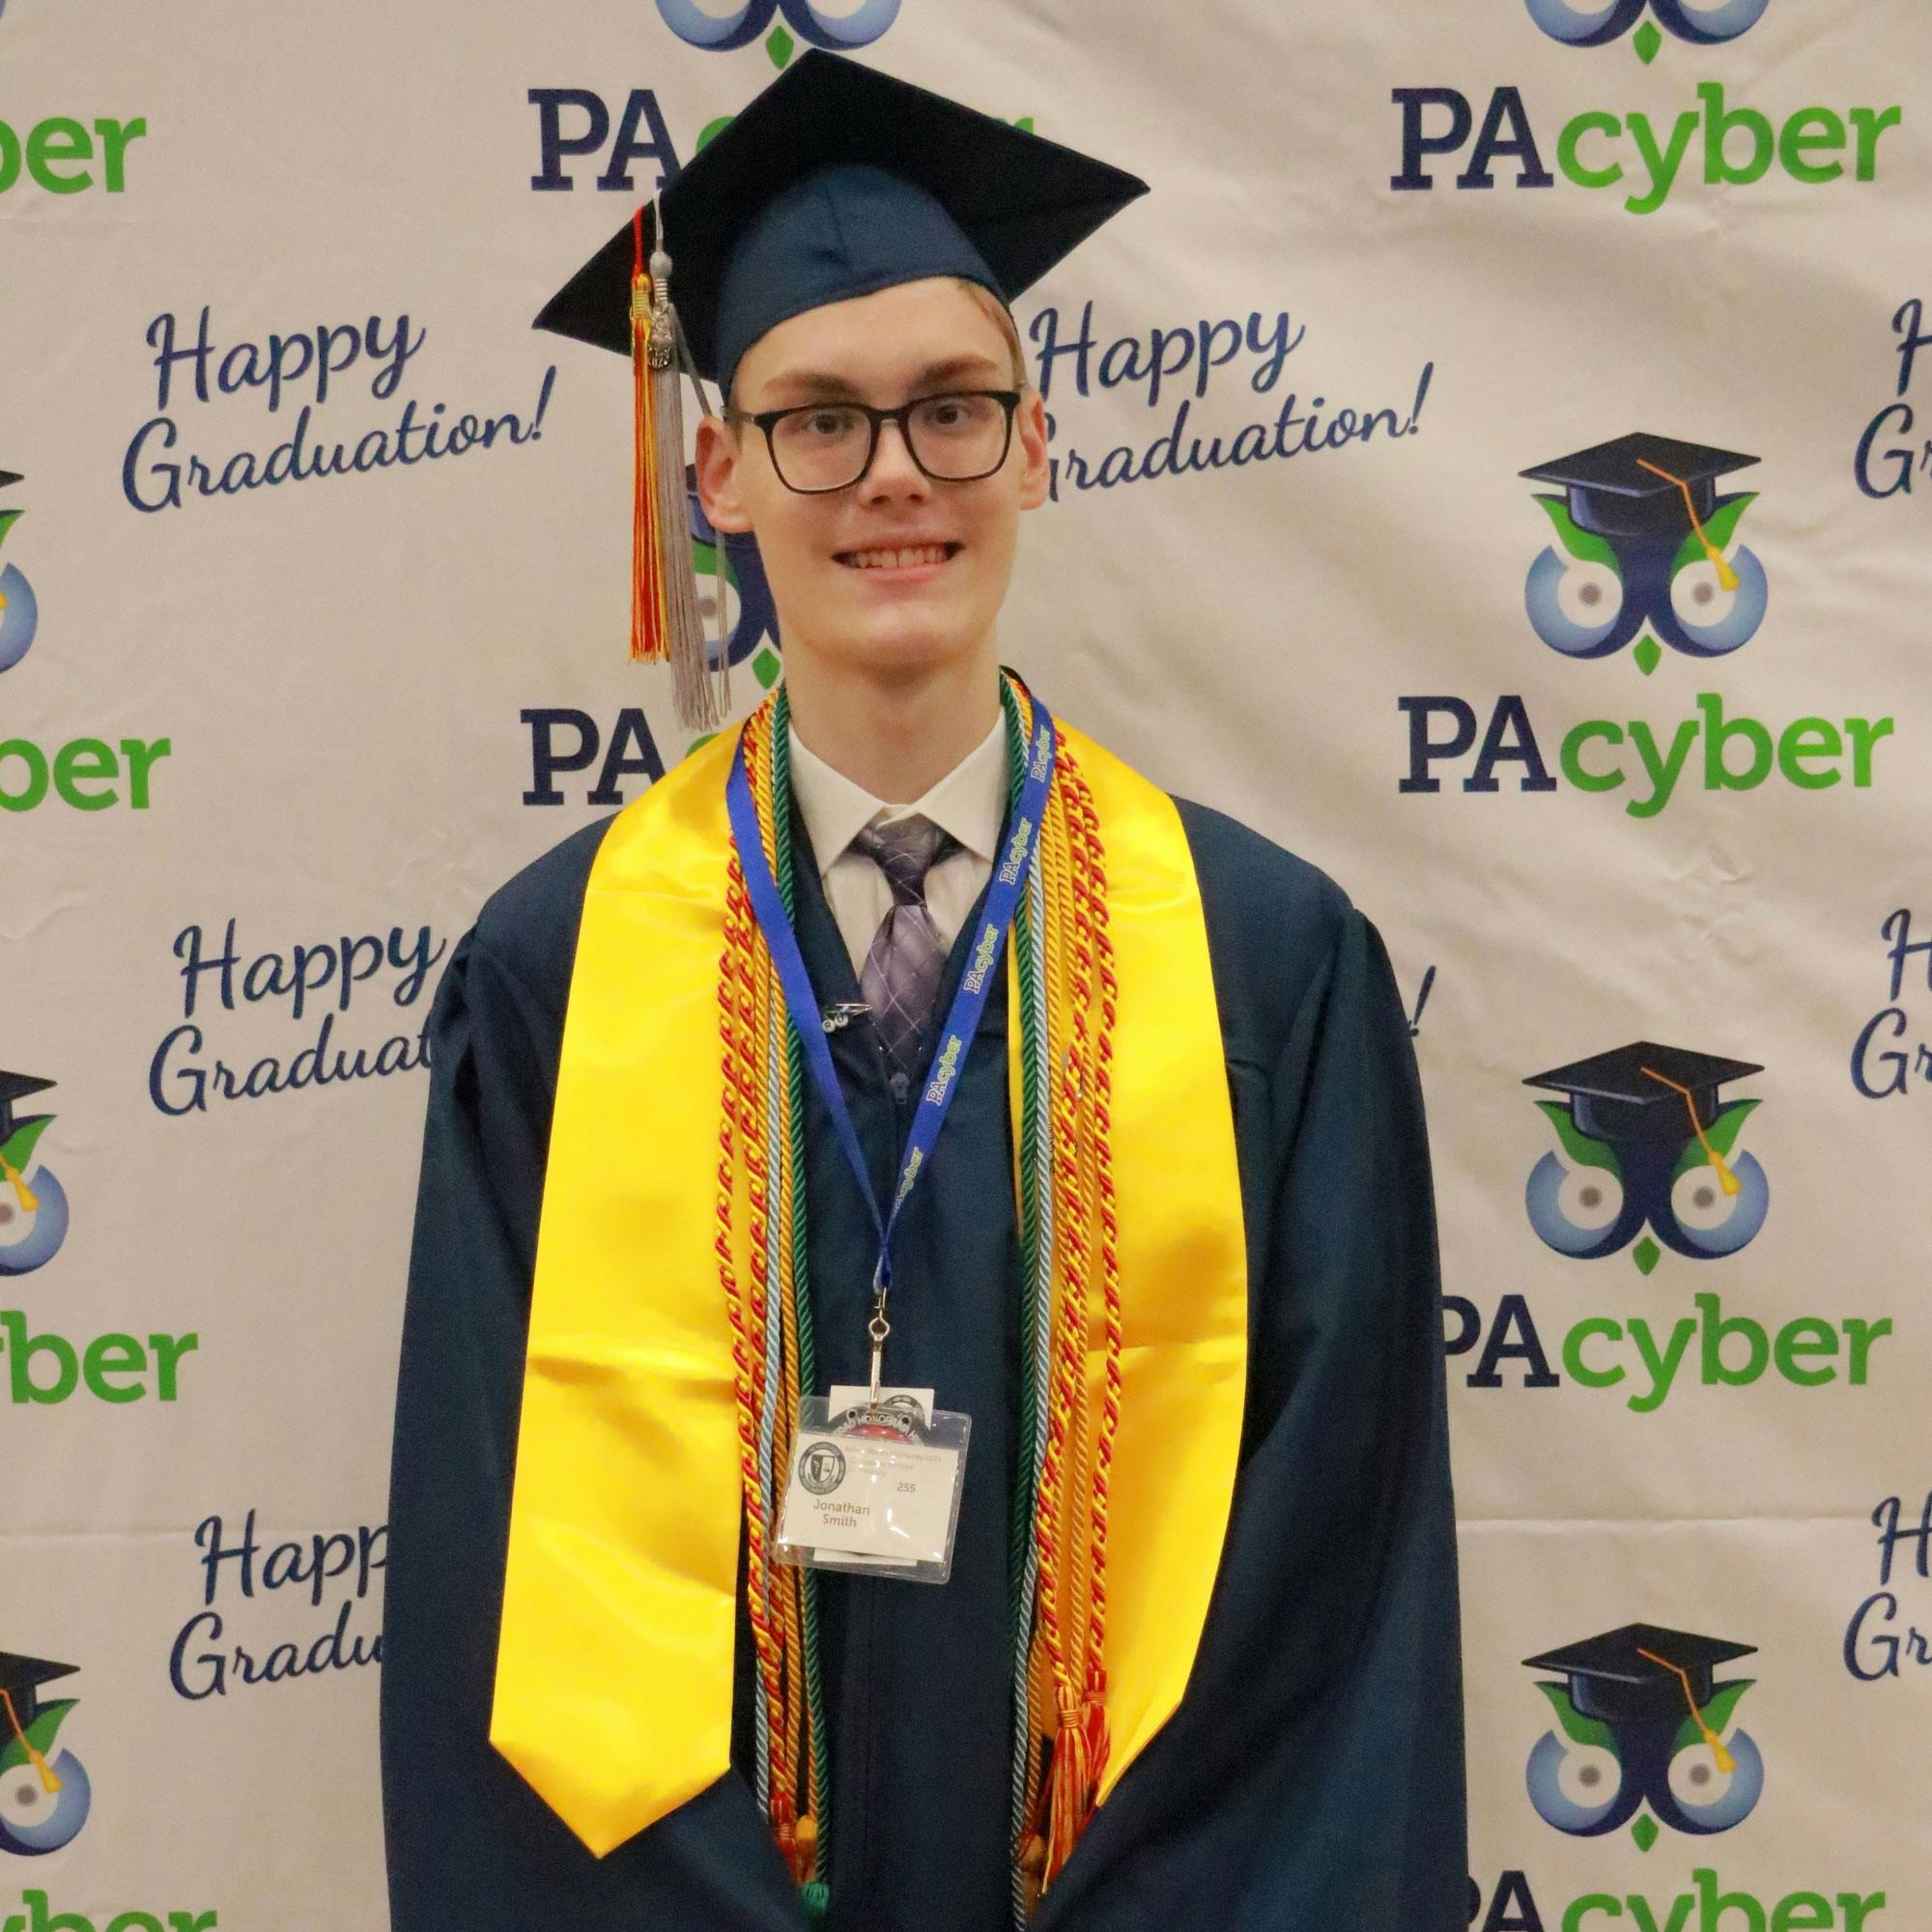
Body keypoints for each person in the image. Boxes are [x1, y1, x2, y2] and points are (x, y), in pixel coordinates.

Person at [380, 48, 1465, 1932]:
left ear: (1038, 445)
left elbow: (1334, 1604)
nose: (893, 475)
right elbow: (499, 1586)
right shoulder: (550, 979)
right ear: (715, 469)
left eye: (953, 410)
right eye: (816, 419)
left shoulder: (1264, 969)